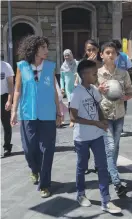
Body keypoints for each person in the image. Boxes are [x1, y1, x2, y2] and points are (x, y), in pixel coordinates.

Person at [11, 35, 61, 198]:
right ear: (34, 49)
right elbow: (17, 90)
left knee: (47, 150)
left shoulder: (50, 66)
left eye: (47, 47)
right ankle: (34, 169)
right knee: (29, 148)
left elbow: (54, 90)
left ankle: (45, 184)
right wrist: (14, 111)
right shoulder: (21, 66)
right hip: (28, 113)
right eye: (43, 48)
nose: (47, 51)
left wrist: (59, 112)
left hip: (47, 114)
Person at [69, 59, 122, 213]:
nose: (96, 76)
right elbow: (73, 118)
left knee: (102, 167)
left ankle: (106, 200)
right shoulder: (76, 93)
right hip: (82, 138)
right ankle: (80, 194)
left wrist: (102, 119)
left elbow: (98, 106)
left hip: (97, 136)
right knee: (82, 167)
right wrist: (95, 123)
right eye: (93, 73)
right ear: (84, 75)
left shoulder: (93, 89)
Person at [97, 42, 132, 166]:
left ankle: (112, 167)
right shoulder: (97, 74)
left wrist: (125, 97)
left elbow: (130, 92)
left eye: (113, 53)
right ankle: (111, 172)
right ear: (101, 55)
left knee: (116, 144)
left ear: (117, 55)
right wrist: (98, 90)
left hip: (119, 114)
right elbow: (90, 94)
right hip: (103, 114)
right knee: (110, 145)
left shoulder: (123, 73)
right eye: (107, 53)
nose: (111, 55)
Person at [112, 39, 132, 137]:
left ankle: (119, 129)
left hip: (122, 88)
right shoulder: (109, 56)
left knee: (122, 108)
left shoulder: (124, 57)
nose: (115, 51)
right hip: (111, 86)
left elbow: (130, 69)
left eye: (117, 49)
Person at [60, 49, 78, 127]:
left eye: (68, 55)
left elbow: (80, 73)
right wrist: (62, 87)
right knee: (70, 103)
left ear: (71, 54)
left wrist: (77, 81)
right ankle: (72, 120)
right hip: (68, 88)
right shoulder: (63, 66)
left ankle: (79, 119)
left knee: (78, 103)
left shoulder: (77, 63)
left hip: (77, 86)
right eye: (65, 55)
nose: (67, 57)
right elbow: (62, 78)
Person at [1, 60, 14, 157]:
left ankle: (7, 147)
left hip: (3, 97)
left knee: (6, 124)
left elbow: (10, 84)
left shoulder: (6, 66)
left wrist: (9, 100)